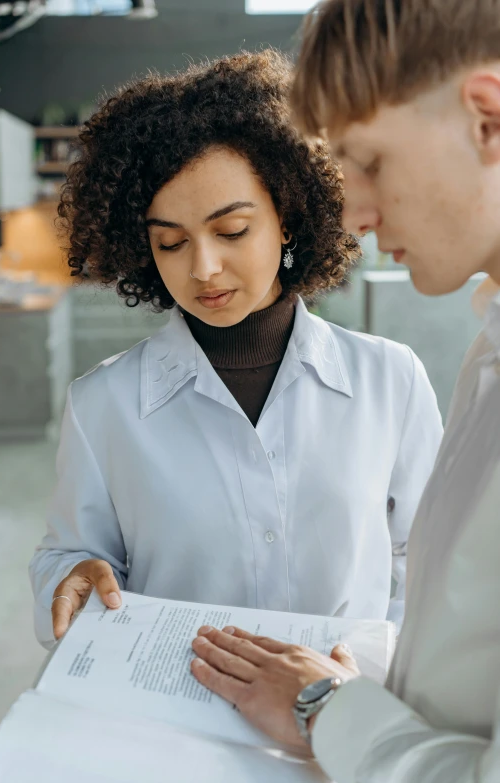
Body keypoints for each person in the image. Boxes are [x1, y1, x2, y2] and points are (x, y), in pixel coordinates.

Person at [30, 50, 442, 650]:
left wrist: (368, 678)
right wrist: (70, 581)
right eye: (170, 243)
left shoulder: (390, 379)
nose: (203, 268)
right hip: (172, 718)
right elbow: (69, 558)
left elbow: (431, 560)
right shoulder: (102, 404)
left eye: (232, 232)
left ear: (289, 216)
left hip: (345, 721)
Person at [190, 3, 500, 782]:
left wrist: (325, 709)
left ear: (487, 119)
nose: (356, 214)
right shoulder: (486, 343)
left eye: (371, 161)